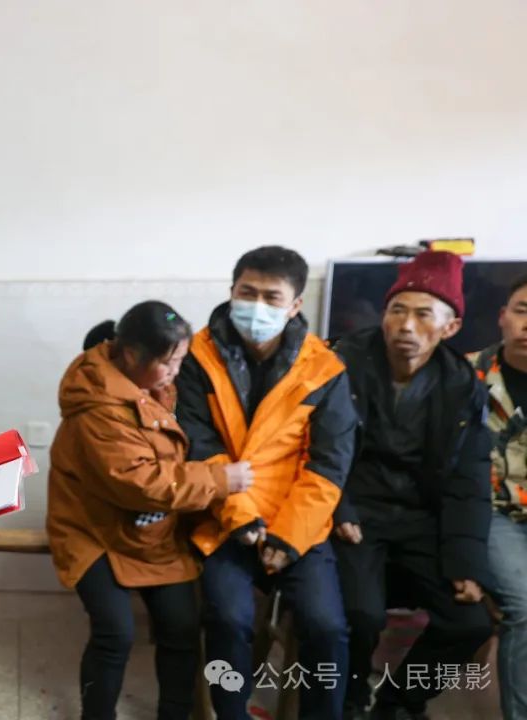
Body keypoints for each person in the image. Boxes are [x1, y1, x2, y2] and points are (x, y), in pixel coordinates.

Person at [47, 301, 254, 720]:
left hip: (153, 530)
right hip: (91, 529)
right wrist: (219, 480)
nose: (176, 370)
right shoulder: (97, 407)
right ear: (130, 354)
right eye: (167, 362)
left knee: (181, 628)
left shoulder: (157, 383)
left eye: (180, 360)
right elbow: (140, 484)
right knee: (115, 633)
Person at [176, 246, 357, 720]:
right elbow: (199, 444)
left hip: (298, 522)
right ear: (231, 291)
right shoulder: (196, 357)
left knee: (326, 626)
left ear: (295, 305)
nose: (256, 306)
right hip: (225, 516)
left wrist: (289, 539)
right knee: (227, 618)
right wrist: (241, 519)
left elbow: (328, 465)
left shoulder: (324, 368)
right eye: (247, 292)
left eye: (271, 297)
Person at [333, 250, 493, 720]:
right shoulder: (340, 364)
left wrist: (465, 563)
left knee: (469, 622)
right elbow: (314, 450)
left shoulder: (463, 386)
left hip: (420, 518)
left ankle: (399, 702)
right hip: (354, 513)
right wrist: (339, 507)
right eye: (396, 310)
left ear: (451, 327)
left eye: (423, 314)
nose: (405, 325)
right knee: (359, 616)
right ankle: (348, 700)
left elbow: (469, 481)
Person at [469, 274, 527, 720]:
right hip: (491, 512)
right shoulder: (464, 374)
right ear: (503, 317)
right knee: (525, 608)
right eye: (522, 311)